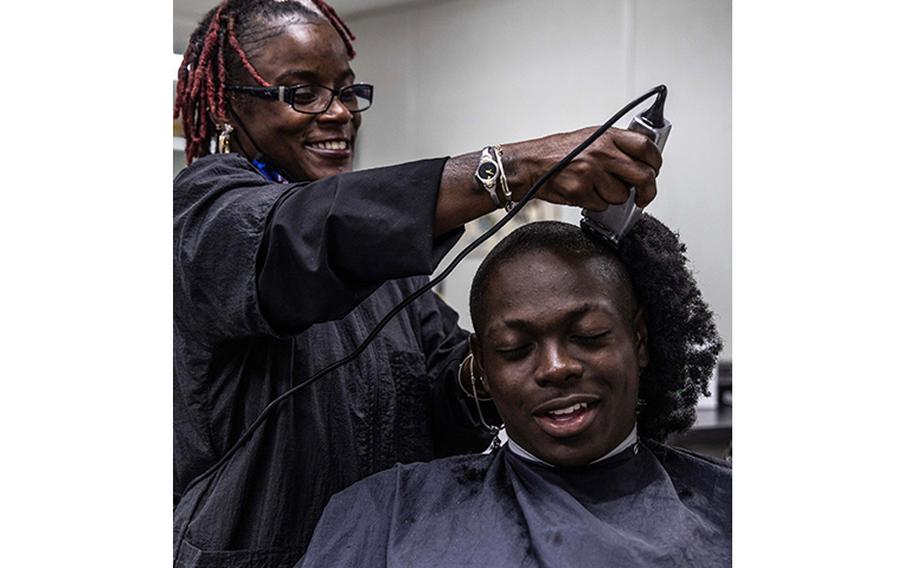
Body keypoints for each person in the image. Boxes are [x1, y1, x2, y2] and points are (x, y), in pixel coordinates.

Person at [172, 0, 663, 565]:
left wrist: (509, 361)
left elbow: (446, 394)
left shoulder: (384, 269)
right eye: (302, 93)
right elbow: (304, 235)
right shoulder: (203, 219)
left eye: (347, 91)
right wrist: (515, 169)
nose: (339, 114)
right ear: (231, 108)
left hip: (391, 547)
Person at [297, 219, 730, 568]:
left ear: (638, 340)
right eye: (516, 349)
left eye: (589, 336)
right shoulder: (383, 516)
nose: (556, 368)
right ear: (482, 367)